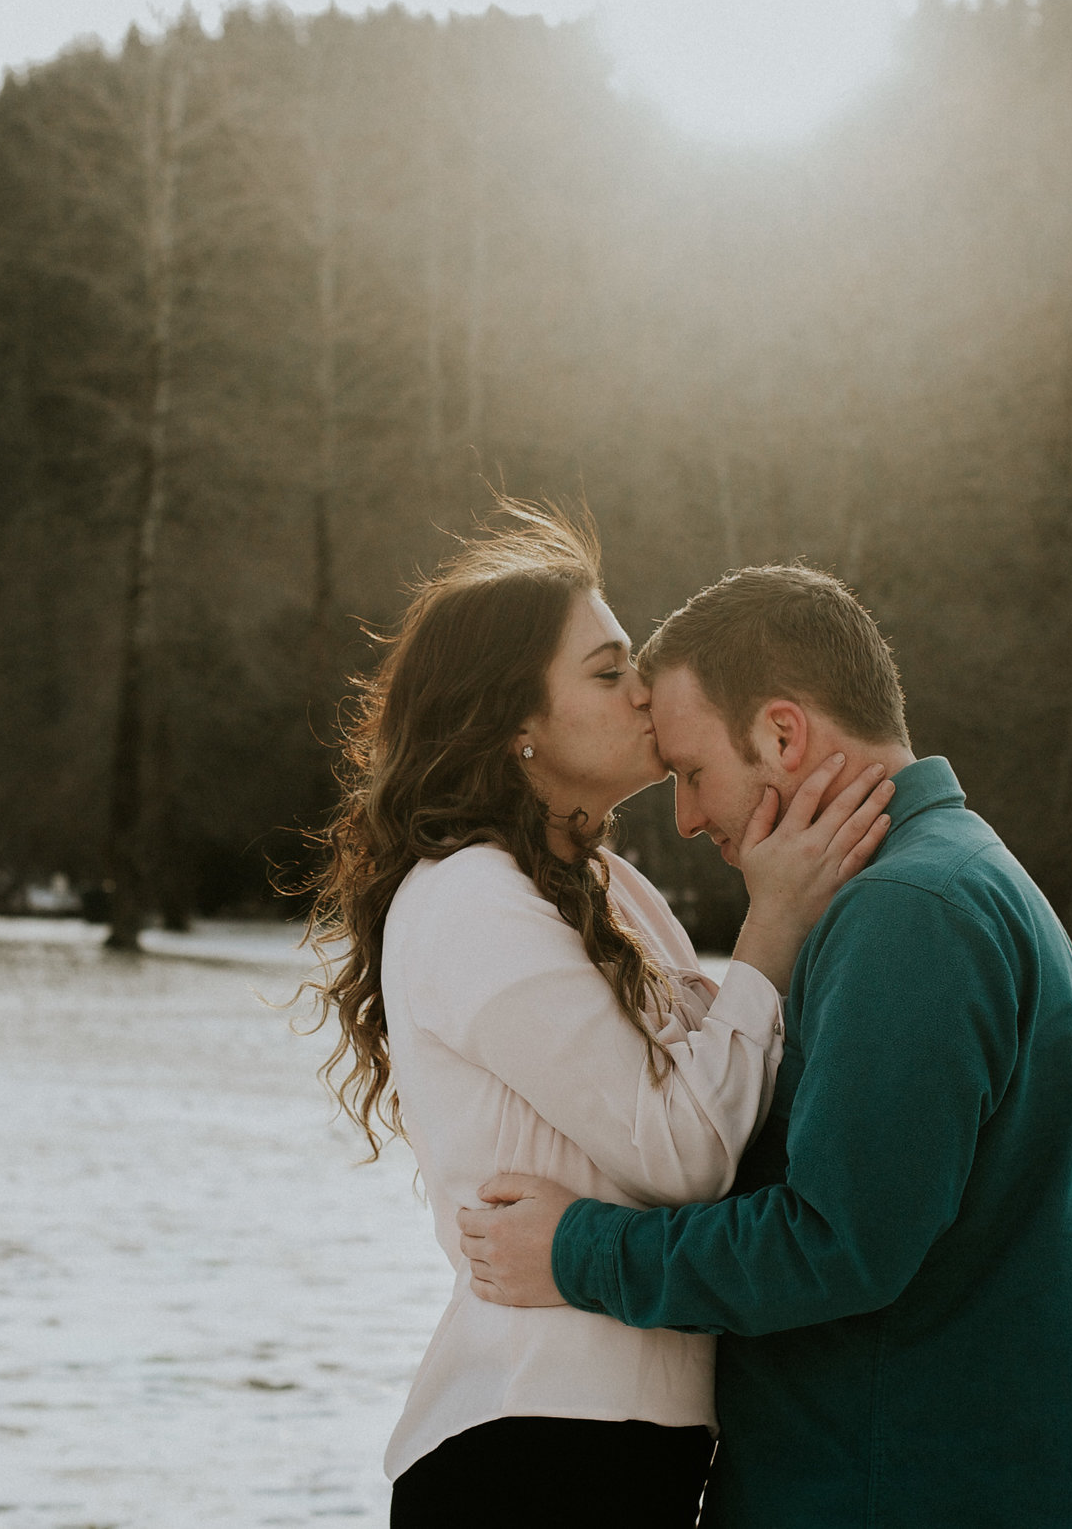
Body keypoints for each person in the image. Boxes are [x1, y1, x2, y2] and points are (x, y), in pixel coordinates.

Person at [456, 564, 1072, 1528]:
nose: (684, 818)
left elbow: (836, 1243)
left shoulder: (909, 913)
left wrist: (575, 1250)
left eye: (693, 772)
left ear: (781, 734)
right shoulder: (962, 879)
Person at [298, 508, 895, 1529]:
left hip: (630, 1449)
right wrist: (776, 920)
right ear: (511, 719)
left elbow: (736, 1101)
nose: (646, 689)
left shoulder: (608, 887)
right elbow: (686, 1149)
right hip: (529, 1451)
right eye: (609, 669)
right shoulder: (469, 898)